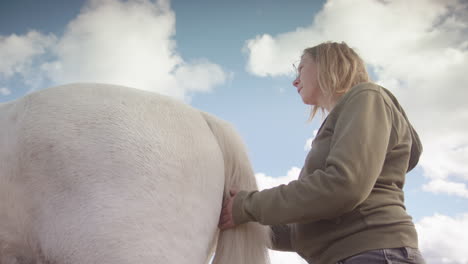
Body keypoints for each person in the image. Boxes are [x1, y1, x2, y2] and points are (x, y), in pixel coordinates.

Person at [218, 41, 426, 264]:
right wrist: (242, 215)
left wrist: (249, 205)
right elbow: (303, 230)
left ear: (328, 64)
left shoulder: (366, 96)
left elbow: (344, 185)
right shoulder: (345, 116)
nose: (295, 80)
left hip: (374, 254)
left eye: (301, 68)